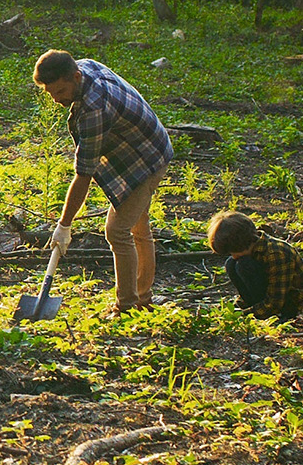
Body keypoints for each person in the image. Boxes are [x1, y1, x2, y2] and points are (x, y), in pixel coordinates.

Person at [34, 49, 172, 317]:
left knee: (118, 230)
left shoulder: (93, 108)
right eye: (51, 94)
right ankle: (142, 299)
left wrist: (64, 225)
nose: (57, 100)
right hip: (140, 145)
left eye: (61, 92)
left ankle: (128, 306)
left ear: (75, 77)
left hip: (148, 158)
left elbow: (84, 173)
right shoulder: (84, 67)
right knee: (138, 226)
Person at [206, 211, 302, 321]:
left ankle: (272, 316)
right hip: (269, 299)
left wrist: (242, 316)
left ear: (241, 244)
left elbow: (275, 302)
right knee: (231, 264)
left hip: (290, 303)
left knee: (243, 265)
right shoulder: (251, 253)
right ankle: (258, 311)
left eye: (234, 252)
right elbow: (248, 291)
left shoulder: (276, 253)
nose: (234, 256)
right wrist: (234, 309)